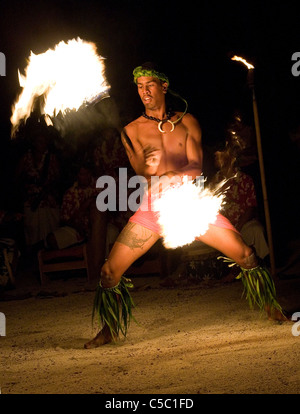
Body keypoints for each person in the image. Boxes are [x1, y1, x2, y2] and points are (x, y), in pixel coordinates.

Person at [84, 62, 286, 349]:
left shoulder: (188, 121)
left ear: (164, 86)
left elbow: (194, 167)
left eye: (150, 85)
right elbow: (142, 171)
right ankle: (110, 328)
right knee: (109, 272)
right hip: (154, 208)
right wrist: (151, 168)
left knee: (246, 254)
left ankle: (271, 307)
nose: (144, 92)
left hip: (191, 204)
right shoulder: (130, 130)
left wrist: (172, 175)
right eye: (140, 87)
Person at [212, 143, 269, 261]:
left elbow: (250, 207)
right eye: (215, 156)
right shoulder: (214, 182)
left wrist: (237, 227)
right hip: (223, 228)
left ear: (228, 157)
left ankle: (262, 266)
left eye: (219, 155)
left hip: (243, 225)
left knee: (256, 230)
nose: (215, 158)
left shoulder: (245, 180)